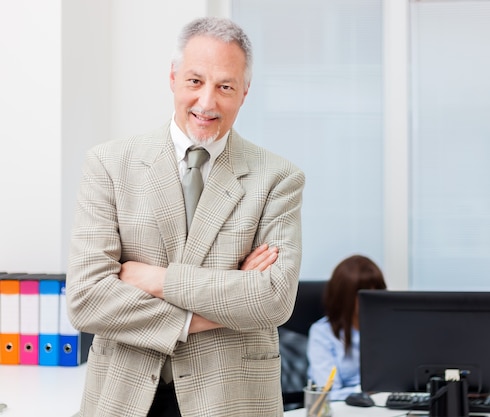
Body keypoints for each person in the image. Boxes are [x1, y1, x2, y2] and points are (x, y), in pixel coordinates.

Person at [66, 17, 304, 417]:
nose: (207, 102)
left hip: (231, 400)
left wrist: (156, 279)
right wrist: (226, 301)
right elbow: (87, 300)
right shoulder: (109, 164)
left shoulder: (278, 177)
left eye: (225, 86)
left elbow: (273, 300)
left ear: (244, 93)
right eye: (195, 81)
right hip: (124, 397)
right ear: (174, 78)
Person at [306, 255, 387, 401]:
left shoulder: (388, 328)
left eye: (377, 291)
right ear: (345, 296)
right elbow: (329, 393)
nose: (372, 299)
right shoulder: (323, 333)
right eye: (364, 293)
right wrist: (368, 391)